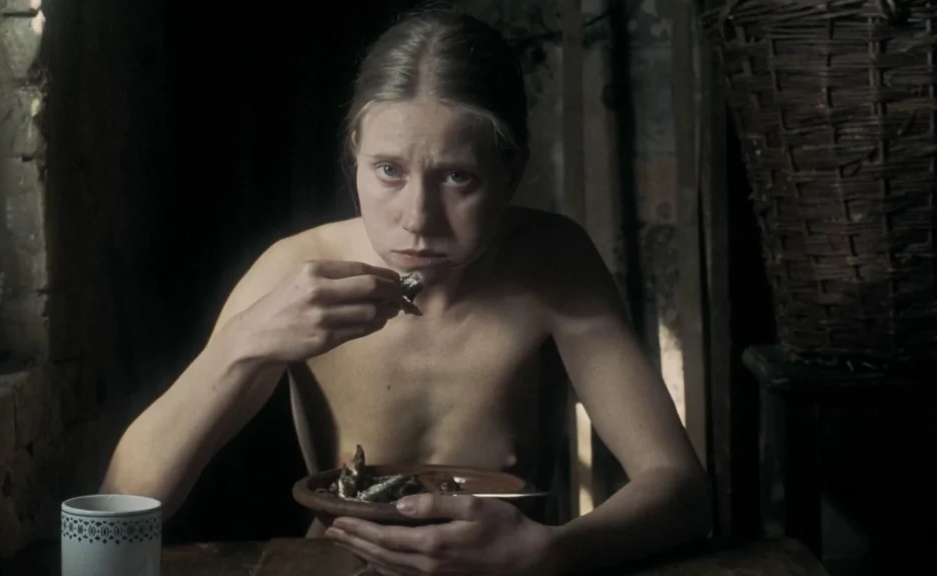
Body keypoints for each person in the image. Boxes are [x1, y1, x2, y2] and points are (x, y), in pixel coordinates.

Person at [101, 7, 711, 575]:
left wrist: (549, 551)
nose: (418, 218)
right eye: (389, 170)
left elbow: (679, 487)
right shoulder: (296, 270)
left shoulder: (552, 262)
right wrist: (242, 347)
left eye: (458, 177)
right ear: (355, 158)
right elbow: (119, 503)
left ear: (511, 172)